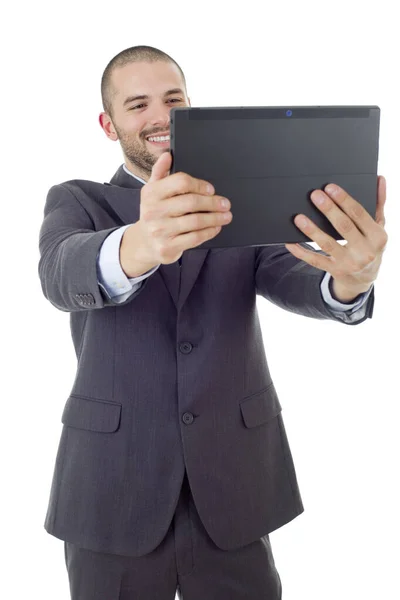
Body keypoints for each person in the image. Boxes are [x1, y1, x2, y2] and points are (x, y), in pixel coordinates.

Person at [38, 45, 387, 600]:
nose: (160, 116)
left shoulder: (236, 201)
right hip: (113, 492)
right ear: (109, 125)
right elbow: (61, 274)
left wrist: (351, 279)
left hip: (233, 488)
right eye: (138, 105)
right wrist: (139, 244)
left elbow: (294, 276)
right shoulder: (80, 201)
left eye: (173, 99)